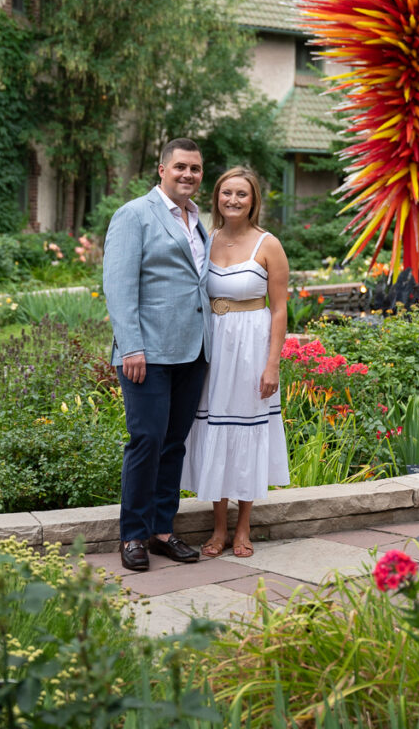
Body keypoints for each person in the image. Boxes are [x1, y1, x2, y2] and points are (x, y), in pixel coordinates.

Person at [103, 138, 211, 572]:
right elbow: (119, 285)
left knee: (173, 443)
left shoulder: (196, 219)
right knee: (146, 440)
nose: (188, 174)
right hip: (146, 352)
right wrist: (130, 346)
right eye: (181, 166)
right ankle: (133, 535)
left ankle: (162, 530)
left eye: (195, 168)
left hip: (193, 350)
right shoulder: (134, 215)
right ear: (162, 169)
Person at [181, 166, 290, 558]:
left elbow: (280, 309)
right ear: (216, 197)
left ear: (253, 200)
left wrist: (272, 364)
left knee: (247, 431)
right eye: (226, 192)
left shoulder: (268, 244)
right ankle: (218, 528)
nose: (233, 200)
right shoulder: (205, 239)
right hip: (213, 350)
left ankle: (243, 527)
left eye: (241, 194)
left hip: (251, 349)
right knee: (215, 429)